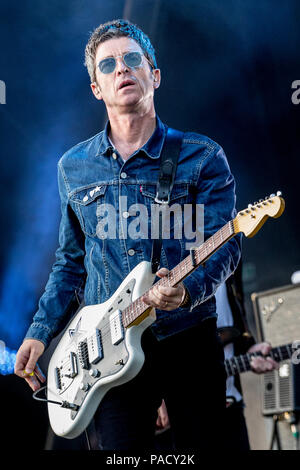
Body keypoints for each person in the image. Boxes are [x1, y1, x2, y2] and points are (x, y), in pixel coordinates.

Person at [14, 19, 241, 451]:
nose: (122, 69)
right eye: (108, 65)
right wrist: (40, 332)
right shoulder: (73, 167)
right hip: (105, 346)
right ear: (96, 88)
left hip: (188, 337)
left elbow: (226, 245)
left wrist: (187, 290)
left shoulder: (203, 156)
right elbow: (70, 263)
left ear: (154, 75)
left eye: (133, 59)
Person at [156, 262, 279, 450]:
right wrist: (153, 388)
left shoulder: (225, 244)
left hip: (229, 402)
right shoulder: (167, 247)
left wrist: (247, 346)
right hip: (180, 406)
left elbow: (232, 305)